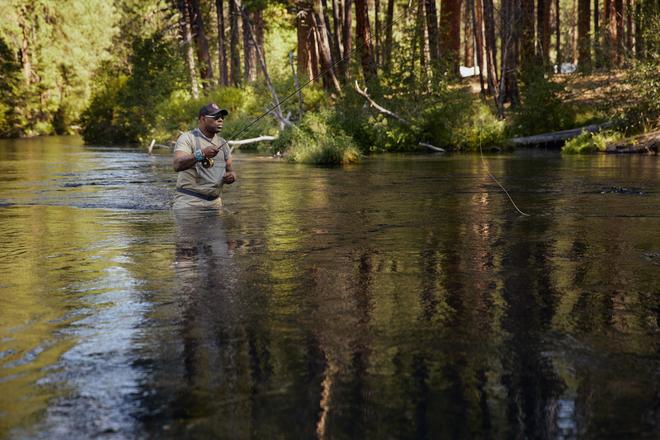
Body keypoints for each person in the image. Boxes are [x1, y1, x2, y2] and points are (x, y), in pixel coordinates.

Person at [172, 103, 237, 209]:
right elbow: (177, 165)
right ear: (203, 119)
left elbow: (230, 170)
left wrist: (232, 176)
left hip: (215, 203)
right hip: (189, 202)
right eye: (216, 117)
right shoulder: (187, 138)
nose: (220, 120)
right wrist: (201, 154)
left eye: (222, 117)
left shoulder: (223, 143)